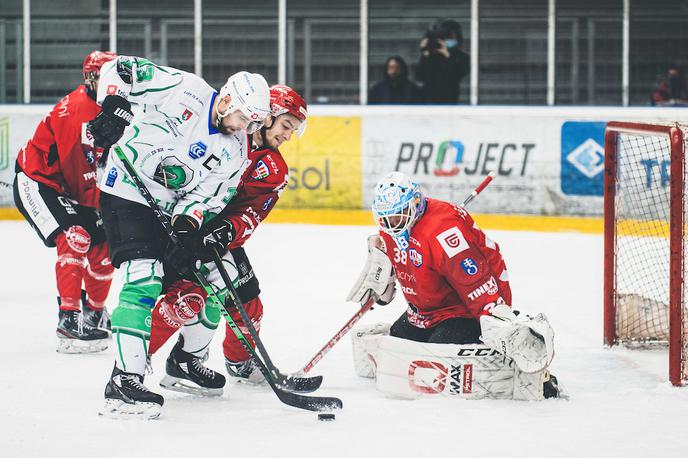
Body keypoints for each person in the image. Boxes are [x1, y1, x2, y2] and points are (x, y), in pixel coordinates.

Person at [90, 54, 271, 418]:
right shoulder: (185, 89)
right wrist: (113, 104)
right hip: (124, 191)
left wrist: (188, 224)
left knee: (219, 277)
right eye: (241, 118)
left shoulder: (236, 149)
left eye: (251, 123)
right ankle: (125, 379)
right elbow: (120, 68)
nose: (243, 128)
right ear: (226, 102)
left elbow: (209, 195)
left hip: (167, 210)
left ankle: (186, 361)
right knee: (144, 277)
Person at [346, 172, 559, 399]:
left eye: (398, 216)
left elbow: (477, 281)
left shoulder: (445, 232)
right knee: (396, 345)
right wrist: (380, 271)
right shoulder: (392, 229)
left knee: (438, 354)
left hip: (465, 308)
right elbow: (401, 262)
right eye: (386, 219)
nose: (392, 224)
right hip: (426, 311)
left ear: (415, 203)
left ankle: (526, 373)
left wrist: (493, 318)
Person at [146, 85, 307, 387]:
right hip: (179, 227)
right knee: (188, 298)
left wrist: (228, 229)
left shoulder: (274, 169)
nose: (288, 136)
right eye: (287, 125)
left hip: (215, 238)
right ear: (268, 115)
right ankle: (132, 365)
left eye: (293, 130)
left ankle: (235, 362)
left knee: (248, 304)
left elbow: (252, 213)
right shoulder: (227, 134)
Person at [13, 50, 117, 354]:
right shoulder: (77, 113)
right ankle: (69, 319)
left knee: (105, 248)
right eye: (107, 77)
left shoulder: (113, 106)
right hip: (39, 181)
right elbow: (79, 176)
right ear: (91, 78)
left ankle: (94, 312)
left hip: (74, 187)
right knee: (77, 236)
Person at [416, 19, 470, 104]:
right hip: (428, 101)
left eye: (451, 36)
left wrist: (447, 54)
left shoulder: (462, 57)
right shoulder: (432, 55)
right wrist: (425, 53)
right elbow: (420, 77)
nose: (447, 39)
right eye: (445, 36)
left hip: (449, 101)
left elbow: (457, 75)